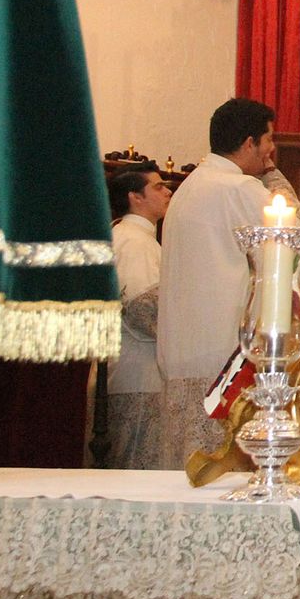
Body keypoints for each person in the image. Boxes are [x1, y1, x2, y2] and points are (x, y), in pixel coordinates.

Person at [156, 97, 276, 468]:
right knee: (225, 475)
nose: (273, 150)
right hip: (227, 358)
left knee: (186, 470)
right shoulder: (240, 190)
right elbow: (285, 255)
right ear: (249, 143)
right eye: (270, 139)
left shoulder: (187, 189)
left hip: (181, 354)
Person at [106, 164, 172, 469]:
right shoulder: (135, 241)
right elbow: (142, 309)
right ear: (135, 197)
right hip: (140, 373)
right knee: (137, 467)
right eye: (158, 186)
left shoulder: (132, 236)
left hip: (133, 370)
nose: (167, 191)